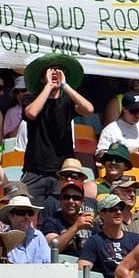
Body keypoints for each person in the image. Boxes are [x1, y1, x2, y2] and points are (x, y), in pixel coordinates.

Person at [21, 53, 94, 206]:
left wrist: (65, 86)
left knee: (59, 213)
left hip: (62, 172)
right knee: (30, 212)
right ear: (42, 78)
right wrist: (48, 86)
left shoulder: (67, 102)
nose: (54, 74)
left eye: (58, 71)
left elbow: (88, 109)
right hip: (35, 170)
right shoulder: (31, 99)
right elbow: (32, 113)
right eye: (50, 71)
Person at [79, 194, 139, 278]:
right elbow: (82, 270)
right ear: (102, 214)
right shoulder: (94, 241)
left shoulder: (136, 239)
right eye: (113, 209)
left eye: (121, 208)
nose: (118, 212)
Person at [43, 180, 95, 257]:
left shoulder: (89, 221)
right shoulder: (52, 221)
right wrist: (76, 227)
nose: (71, 201)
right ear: (60, 200)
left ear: (82, 202)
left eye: (76, 198)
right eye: (66, 197)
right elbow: (52, 247)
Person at [0, 195, 50, 264]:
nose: (26, 217)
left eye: (30, 213)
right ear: (10, 216)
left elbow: (49, 263)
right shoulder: (3, 240)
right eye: (21, 212)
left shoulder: (39, 236)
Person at [96, 91, 139, 158]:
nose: (137, 115)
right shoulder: (110, 129)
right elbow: (100, 154)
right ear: (124, 109)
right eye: (133, 111)